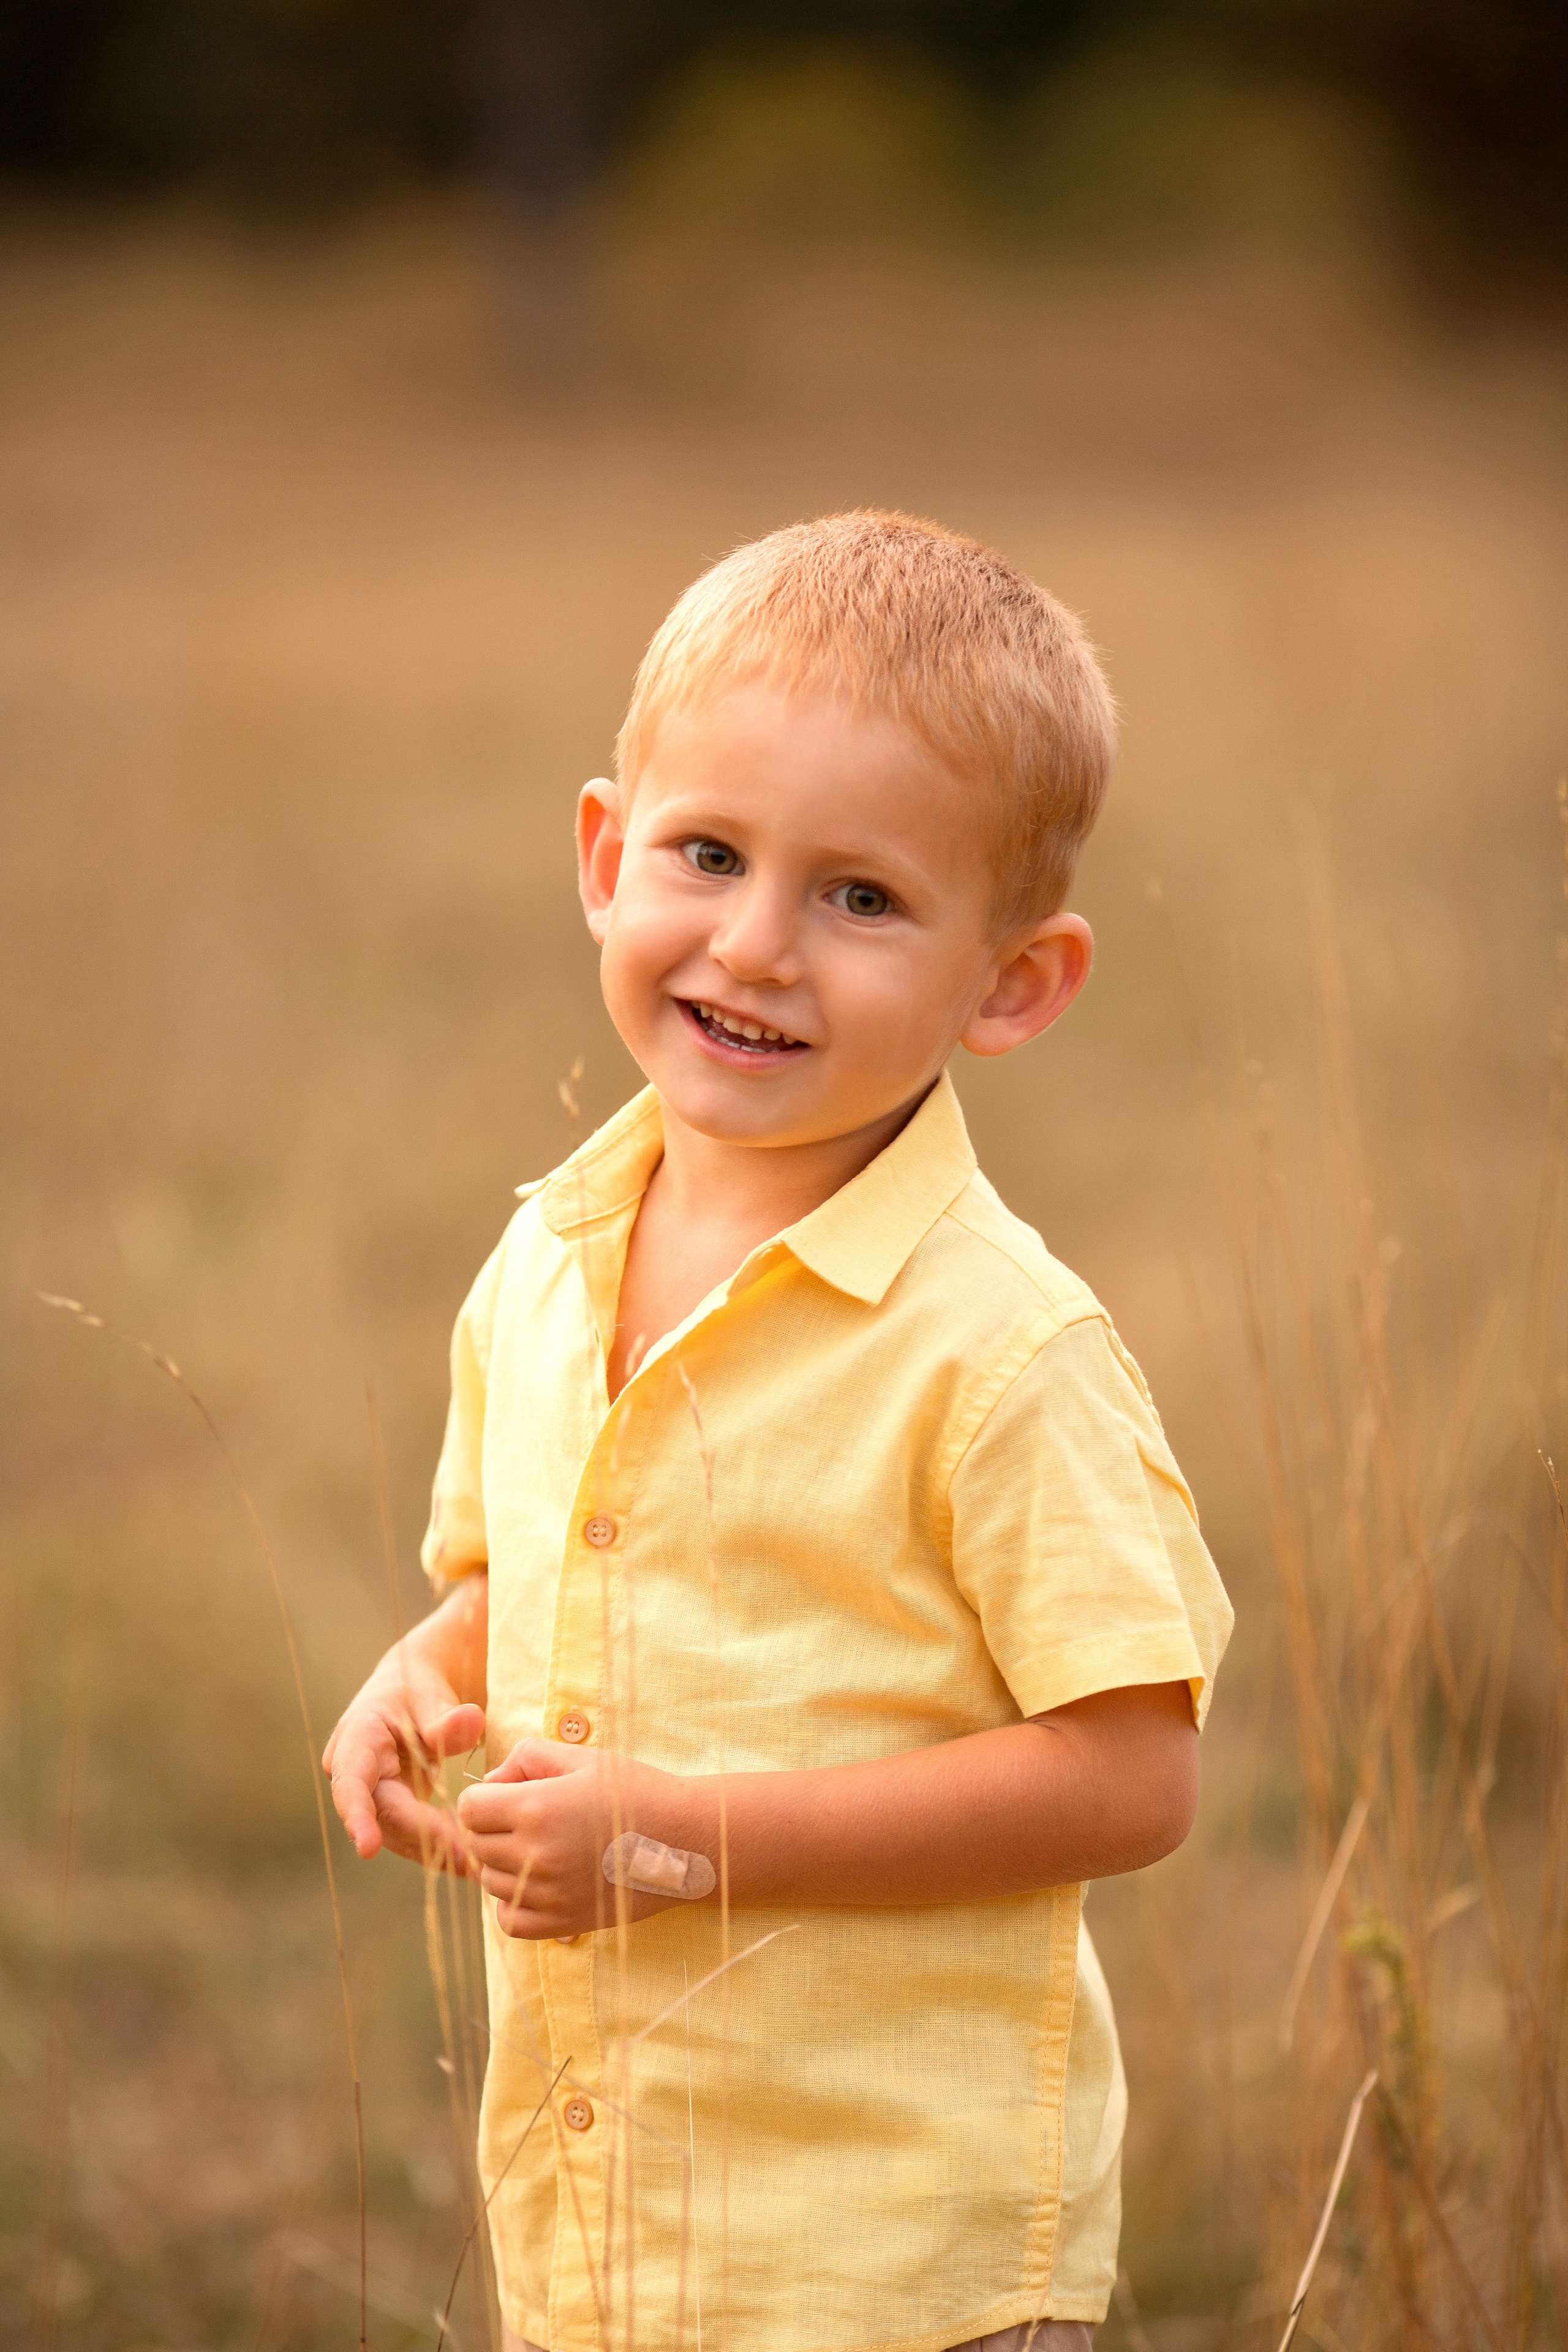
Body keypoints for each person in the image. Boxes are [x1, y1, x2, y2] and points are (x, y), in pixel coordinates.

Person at [324, 511, 1233, 2352]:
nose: (754, 946)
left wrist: (678, 1834)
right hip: (618, 2229)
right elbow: (535, 1572)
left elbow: (1134, 1776)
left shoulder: (1002, 1352)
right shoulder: (547, 1262)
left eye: (863, 897)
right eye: (710, 854)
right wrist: (424, 1669)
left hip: (896, 2255)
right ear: (604, 855)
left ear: (1012, 984)